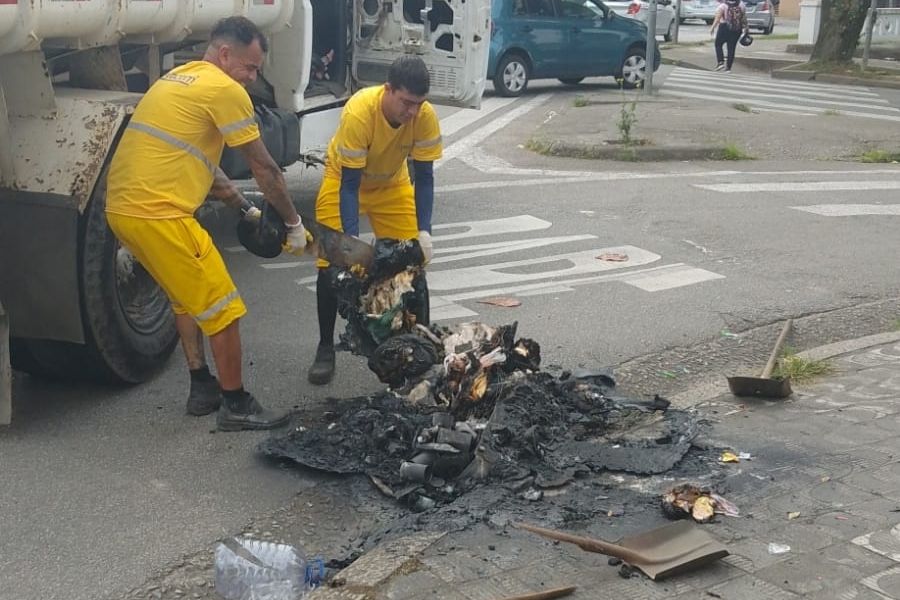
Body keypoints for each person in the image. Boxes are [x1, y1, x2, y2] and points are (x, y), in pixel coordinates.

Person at [105, 17, 309, 431]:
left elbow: (202, 165)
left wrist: (245, 210)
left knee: (187, 299)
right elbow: (265, 167)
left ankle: (202, 387)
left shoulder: (178, 79)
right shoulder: (224, 89)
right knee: (223, 307)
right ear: (224, 54)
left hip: (122, 213)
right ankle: (236, 403)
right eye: (250, 68)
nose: (253, 78)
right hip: (161, 215)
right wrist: (293, 223)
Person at [306, 55, 443, 385]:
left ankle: (417, 349)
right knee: (331, 267)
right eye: (406, 103)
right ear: (388, 90)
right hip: (344, 181)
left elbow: (424, 177)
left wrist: (424, 231)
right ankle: (326, 347)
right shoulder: (360, 112)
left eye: (418, 104)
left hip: (392, 184)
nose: (412, 112)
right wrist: (351, 247)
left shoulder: (424, 116)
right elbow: (350, 187)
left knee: (413, 262)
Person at [710, 0, 748, 73]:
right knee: (731, 48)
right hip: (737, 28)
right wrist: (746, 28)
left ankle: (720, 62)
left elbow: (718, 18)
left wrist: (712, 28)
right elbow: (744, 17)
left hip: (724, 27)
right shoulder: (741, 4)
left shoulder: (723, 6)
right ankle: (728, 68)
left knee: (718, 44)